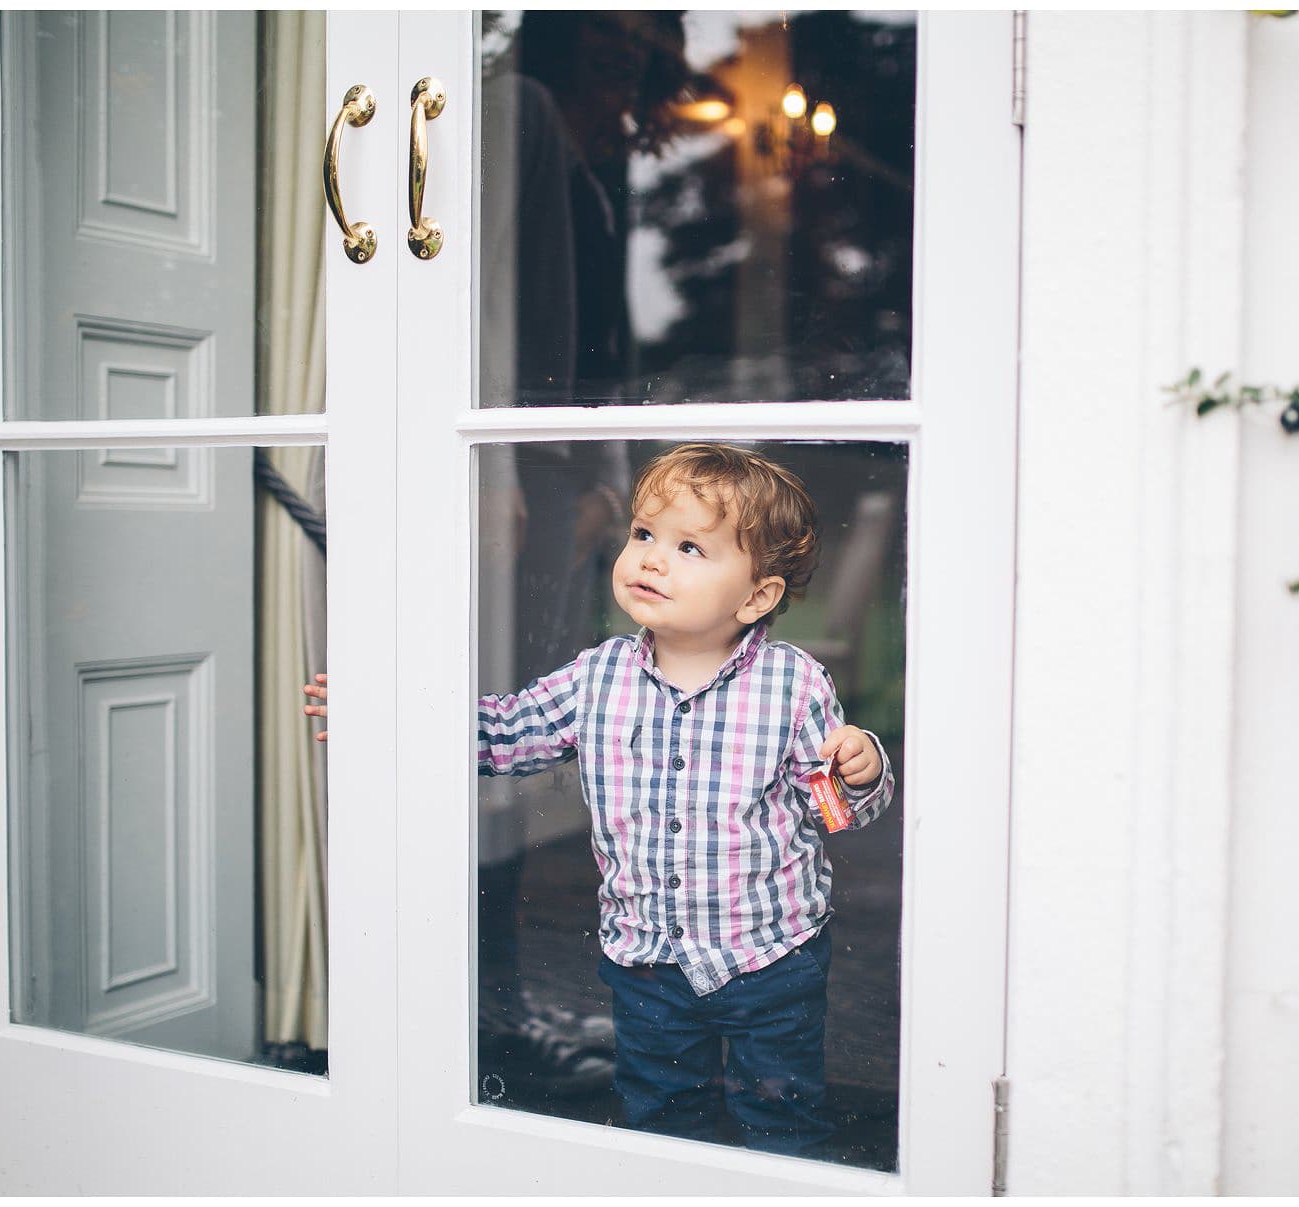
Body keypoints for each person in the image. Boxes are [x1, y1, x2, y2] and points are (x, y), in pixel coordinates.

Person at [305, 442, 895, 1155]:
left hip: (770, 956)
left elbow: (833, 805)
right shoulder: (599, 674)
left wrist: (860, 769)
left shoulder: (793, 684)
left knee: (780, 1115)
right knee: (659, 1116)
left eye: (688, 546)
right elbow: (504, 733)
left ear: (756, 596)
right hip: (647, 959)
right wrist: (395, 715)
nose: (650, 557)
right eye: (643, 534)